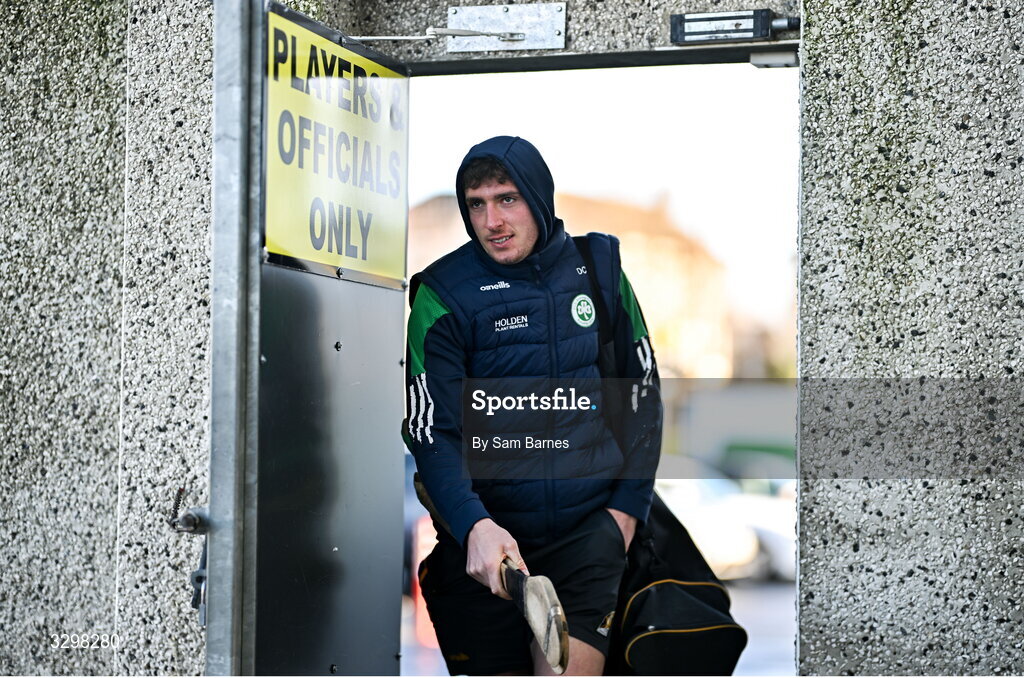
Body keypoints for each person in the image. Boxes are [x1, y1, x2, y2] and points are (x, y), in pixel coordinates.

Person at [403, 136, 661, 675]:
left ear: (539, 198)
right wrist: (474, 526)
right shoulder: (443, 296)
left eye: (507, 199)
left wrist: (624, 516)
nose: (492, 220)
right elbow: (432, 434)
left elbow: (643, 397)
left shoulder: (601, 270)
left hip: (586, 540)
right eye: (477, 204)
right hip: (489, 553)